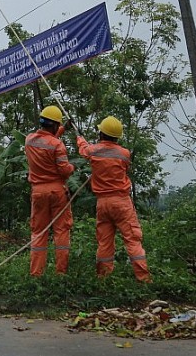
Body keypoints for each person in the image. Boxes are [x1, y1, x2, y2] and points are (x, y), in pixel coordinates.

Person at [77, 116, 151, 282]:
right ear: (117, 136)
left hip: (103, 203)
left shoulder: (93, 151)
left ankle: (103, 278)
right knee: (132, 240)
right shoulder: (124, 154)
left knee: (104, 243)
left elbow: (83, 150)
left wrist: (80, 138)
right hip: (121, 202)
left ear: (101, 133)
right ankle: (143, 279)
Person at [24, 105, 74, 276]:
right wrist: (72, 167)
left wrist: (62, 129)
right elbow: (64, 170)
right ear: (55, 125)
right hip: (57, 192)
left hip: (38, 192)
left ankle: (36, 273)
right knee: (61, 231)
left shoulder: (29, 140)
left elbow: (46, 140)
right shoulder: (57, 145)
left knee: (38, 233)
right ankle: (61, 272)